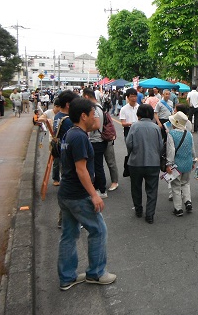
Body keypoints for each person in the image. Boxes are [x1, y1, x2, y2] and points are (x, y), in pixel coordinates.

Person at [57, 97, 116, 290]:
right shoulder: (80, 137)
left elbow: (97, 125)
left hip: (66, 193)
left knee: (69, 234)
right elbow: (81, 169)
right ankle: (96, 273)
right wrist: (94, 194)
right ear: (83, 116)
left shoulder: (70, 133)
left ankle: (67, 277)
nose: (94, 117)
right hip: (78, 194)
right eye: (92, 114)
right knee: (98, 230)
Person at [126, 104, 163, 224]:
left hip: (135, 162)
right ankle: (150, 215)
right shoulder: (156, 128)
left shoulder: (134, 126)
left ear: (139, 114)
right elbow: (160, 146)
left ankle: (138, 209)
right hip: (153, 162)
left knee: (135, 187)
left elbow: (129, 144)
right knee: (152, 189)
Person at [165, 111, 196, 217]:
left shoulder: (171, 134)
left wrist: (169, 164)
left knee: (176, 186)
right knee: (186, 183)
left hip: (176, 165)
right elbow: (192, 150)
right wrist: (193, 161)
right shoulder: (189, 134)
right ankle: (188, 201)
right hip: (188, 163)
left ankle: (178, 209)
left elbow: (171, 150)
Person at [82, 88, 108, 199]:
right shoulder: (99, 106)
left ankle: (102, 190)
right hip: (99, 139)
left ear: (87, 96)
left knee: (97, 166)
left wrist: (84, 129)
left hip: (96, 140)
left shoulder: (94, 108)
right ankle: (98, 188)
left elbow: (97, 125)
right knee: (97, 166)